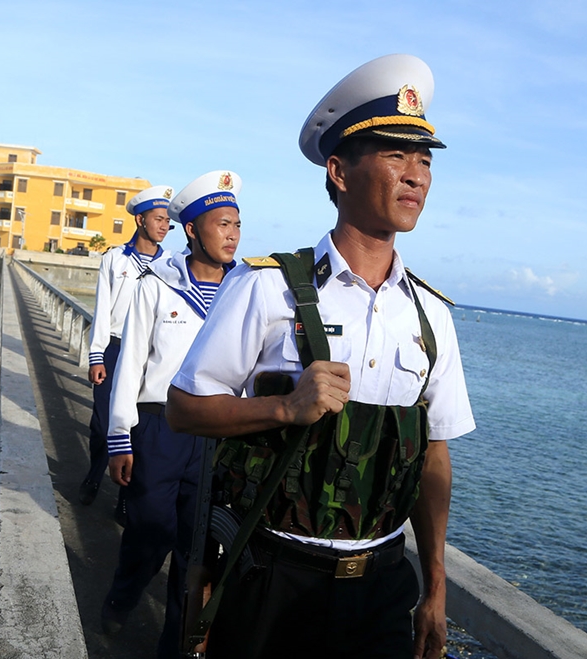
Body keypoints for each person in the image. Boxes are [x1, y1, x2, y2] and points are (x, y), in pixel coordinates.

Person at [166, 54, 476, 659]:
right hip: (274, 577)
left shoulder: (430, 317)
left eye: (424, 160)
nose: (416, 176)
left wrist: (435, 587)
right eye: (395, 155)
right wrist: (285, 409)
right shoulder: (267, 287)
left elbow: (433, 454)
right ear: (338, 171)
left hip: (384, 586)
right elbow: (183, 409)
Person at [102, 171, 243, 659]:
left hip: (218, 432)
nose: (232, 235)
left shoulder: (245, 290)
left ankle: (176, 647)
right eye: (222, 224)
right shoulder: (157, 286)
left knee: (198, 550)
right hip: (160, 428)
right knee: (150, 531)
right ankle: (123, 594)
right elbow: (132, 362)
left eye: (237, 225)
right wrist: (120, 437)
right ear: (192, 230)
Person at [79, 185, 173, 506]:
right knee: (103, 423)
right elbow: (101, 310)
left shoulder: (172, 266)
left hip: (148, 355)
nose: (164, 226)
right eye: (158, 219)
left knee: (138, 428)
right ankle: (93, 476)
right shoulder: (114, 259)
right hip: (115, 350)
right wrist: (96, 356)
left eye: (168, 222)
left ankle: (124, 498)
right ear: (140, 219)